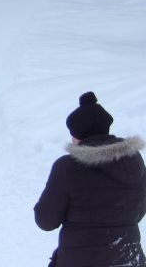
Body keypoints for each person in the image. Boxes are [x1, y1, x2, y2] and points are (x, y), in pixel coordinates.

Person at [34, 91, 146, 267]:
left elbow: (46, 220)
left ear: (78, 135)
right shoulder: (134, 161)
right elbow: (139, 211)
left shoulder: (67, 167)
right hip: (129, 258)